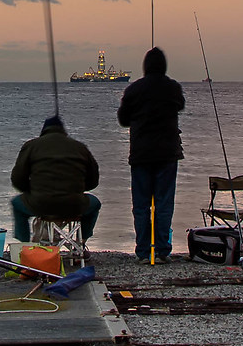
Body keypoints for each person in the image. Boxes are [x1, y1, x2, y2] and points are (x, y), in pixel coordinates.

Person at [116, 46, 184, 262]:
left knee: (141, 205)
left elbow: (123, 119)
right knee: (164, 204)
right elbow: (180, 105)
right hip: (167, 154)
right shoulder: (172, 88)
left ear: (145, 66)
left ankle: (144, 251)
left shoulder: (134, 90)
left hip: (141, 154)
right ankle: (162, 251)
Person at [9, 112, 102, 244]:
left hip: (40, 204)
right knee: (95, 203)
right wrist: (77, 190)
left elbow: (17, 179)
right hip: (74, 205)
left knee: (16, 204)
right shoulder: (80, 147)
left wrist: (33, 191)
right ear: (63, 130)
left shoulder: (31, 146)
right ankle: (81, 242)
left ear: (44, 130)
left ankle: (24, 246)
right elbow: (93, 181)